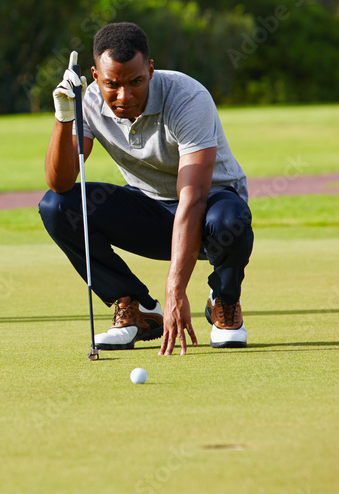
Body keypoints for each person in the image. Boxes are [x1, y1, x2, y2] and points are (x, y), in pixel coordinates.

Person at [39, 23, 254, 355]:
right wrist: (63, 117)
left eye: (135, 81)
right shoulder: (88, 100)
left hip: (211, 211)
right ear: (95, 75)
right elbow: (62, 183)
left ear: (150, 70)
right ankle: (135, 306)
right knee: (57, 206)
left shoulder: (187, 97)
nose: (123, 96)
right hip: (150, 211)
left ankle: (224, 301)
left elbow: (193, 198)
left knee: (230, 219)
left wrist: (175, 289)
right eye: (112, 84)